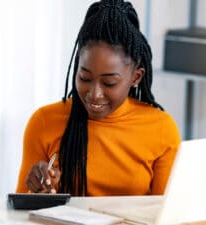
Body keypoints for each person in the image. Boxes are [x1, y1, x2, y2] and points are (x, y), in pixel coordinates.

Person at [16, 0, 181, 196]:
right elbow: (20, 212)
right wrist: (37, 191)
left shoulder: (161, 129)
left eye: (109, 83)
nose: (94, 94)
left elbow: (166, 214)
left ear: (136, 77)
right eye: (84, 78)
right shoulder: (44, 121)